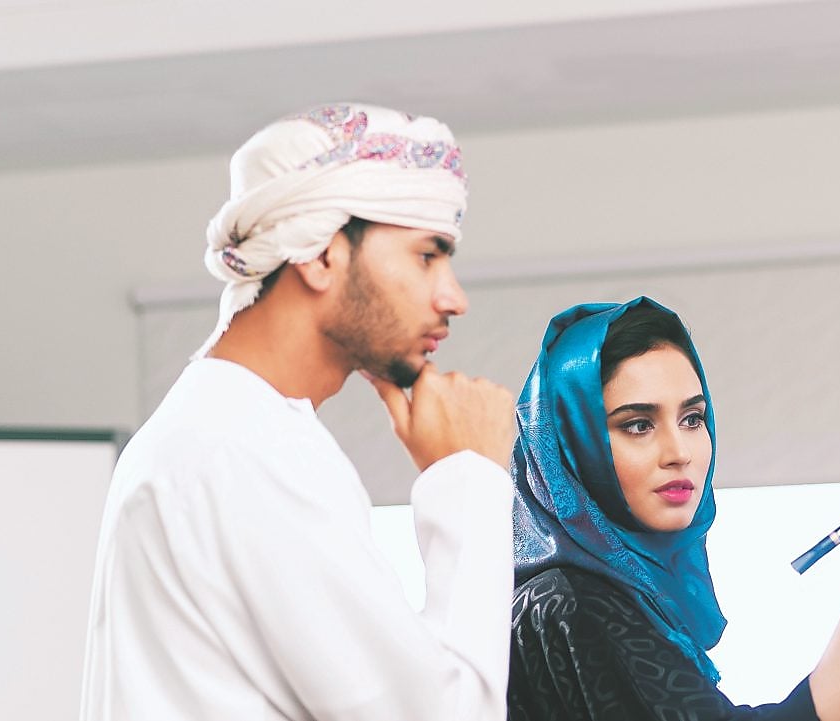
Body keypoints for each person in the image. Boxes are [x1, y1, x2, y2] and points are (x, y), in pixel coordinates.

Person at [80, 103, 518, 721]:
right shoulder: (245, 452)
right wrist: (470, 476)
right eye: (427, 255)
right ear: (319, 256)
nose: (454, 298)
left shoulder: (226, 431)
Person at [508, 297, 840, 721]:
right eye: (638, 425)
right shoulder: (569, 602)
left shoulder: (600, 590)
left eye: (693, 419)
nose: (679, 452)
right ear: (572, 445)